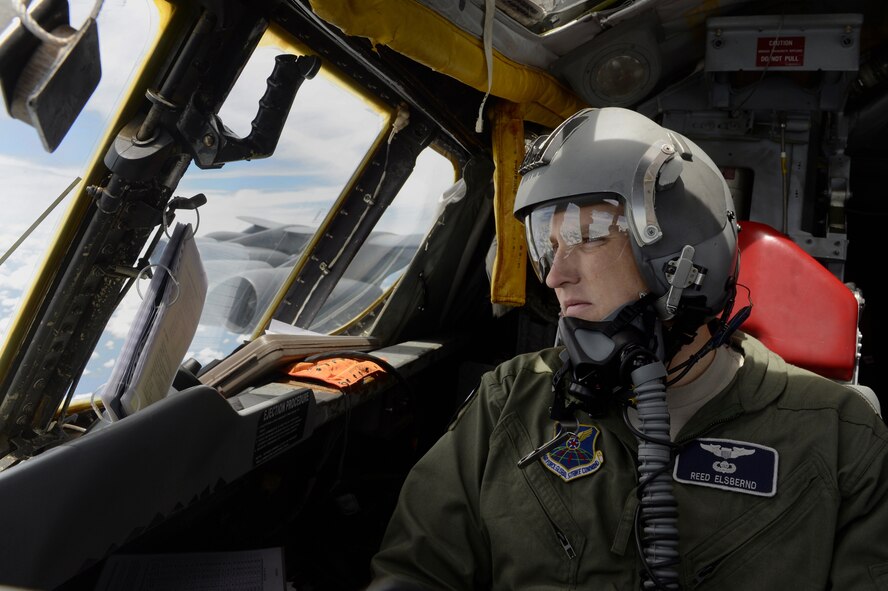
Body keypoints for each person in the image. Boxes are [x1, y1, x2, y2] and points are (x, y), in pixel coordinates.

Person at [368, 107, 888, 590]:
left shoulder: (840, 436)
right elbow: (415, 572)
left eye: (588, 236)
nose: (554, 275)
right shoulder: (510, 398)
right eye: (549, 245)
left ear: (685, 256)